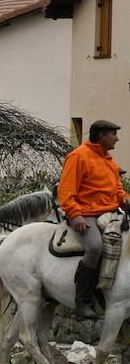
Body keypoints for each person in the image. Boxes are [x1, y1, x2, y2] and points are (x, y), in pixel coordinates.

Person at [58, 119, 130, 320]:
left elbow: (117, 190)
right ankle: (82, 301)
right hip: (85, 214)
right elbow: (66, 191)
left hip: (109, 213)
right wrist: (76, 214)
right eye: (113, 134)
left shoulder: (109, 160)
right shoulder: (78, 156)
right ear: (101, 136)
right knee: (95, 247)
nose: (117, 138)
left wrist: (124, 198)